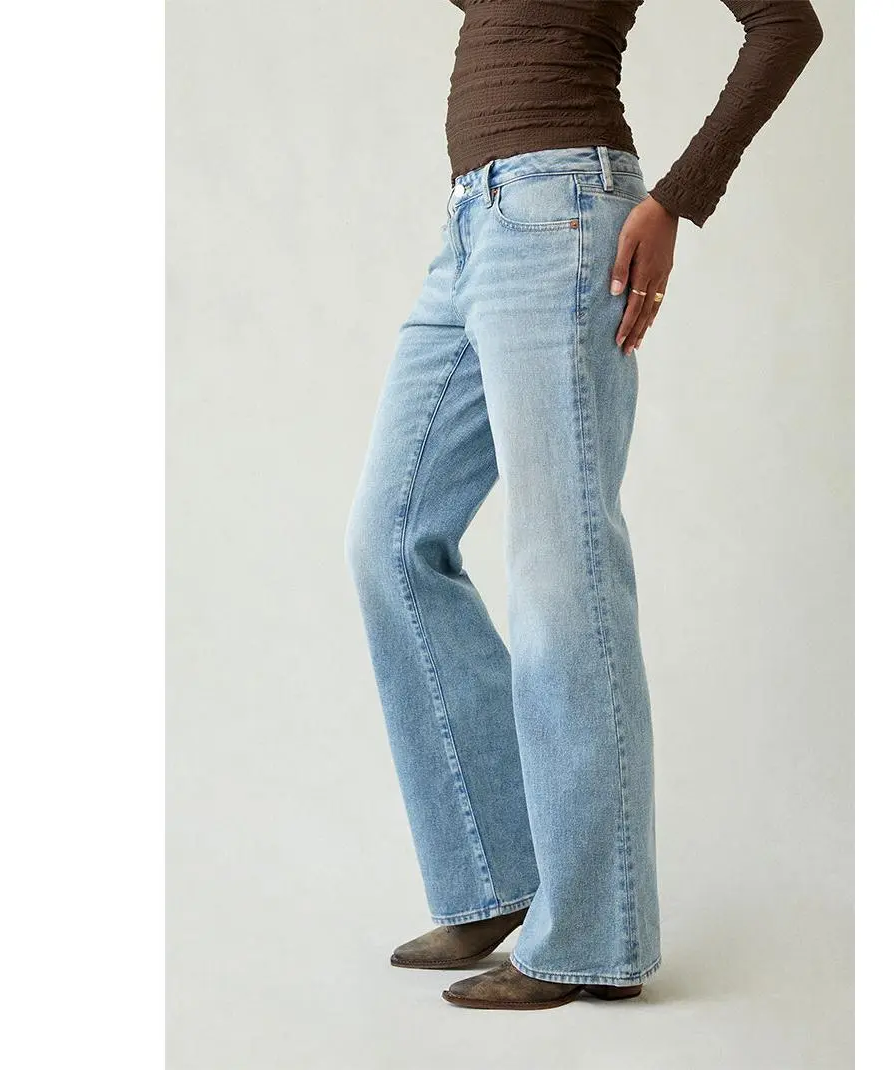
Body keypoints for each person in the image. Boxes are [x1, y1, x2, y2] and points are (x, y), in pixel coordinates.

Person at [345, 0, 823, 1011]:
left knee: (562, 573)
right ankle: (499, 874)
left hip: (563, 214)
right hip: (470, 223)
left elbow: (787, 23)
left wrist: (677, 200)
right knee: (388, 539)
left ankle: (593, 934)